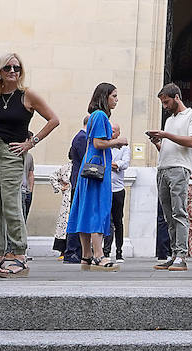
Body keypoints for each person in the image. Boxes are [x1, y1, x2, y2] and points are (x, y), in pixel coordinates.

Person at [0, 52, 60, 278]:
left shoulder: (27, 95)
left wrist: (31, 143)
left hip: (11, 152)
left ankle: (18, 255)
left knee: (11, 204)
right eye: (8, 68)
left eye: (16, 68)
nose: (12, 72)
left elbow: (53, 120)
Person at [66, 82, 127, 271]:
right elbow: (98, 143)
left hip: (89, 169)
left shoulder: (93, 116)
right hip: (98, 171)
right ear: (105, 96)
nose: (116, 100)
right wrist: (118, 141)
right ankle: (99, 256)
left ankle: (86, 256)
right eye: (114, 96)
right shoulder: (101, 115)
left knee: (85, 211)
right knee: (98, 211)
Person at [147, 83, 192, 271]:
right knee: (168, 215)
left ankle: (181, 255)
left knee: (179, 212)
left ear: (177, 97)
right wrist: (158, 143)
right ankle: (174, 254)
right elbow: (169, 148)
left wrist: (165, 134)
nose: (165, 106)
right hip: (163, 168)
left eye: (166, 102)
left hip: (179, 169)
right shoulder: (170, 120)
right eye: (163, 103)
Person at [65, 116, 89, 263]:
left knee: (79, 215)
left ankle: (77, 251)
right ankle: (72, 251)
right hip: (79, 181)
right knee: (77, 216)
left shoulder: (81, 137)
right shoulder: (82, 138)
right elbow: (85, 158)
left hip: (79, 180)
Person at [110, 135, 129, 260]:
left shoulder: (124, 147)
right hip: (104, 188)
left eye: (113, 131)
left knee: (118, 221)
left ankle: (119, 251)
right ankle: (105, 251)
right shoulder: (104, 144)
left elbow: (125, 163)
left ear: (118, 133)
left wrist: (114, 164)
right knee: (105, 221)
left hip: (118, 188)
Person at [50, 161, 72, 258]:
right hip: (67, 198)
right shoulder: (65, 167)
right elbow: (53, 177)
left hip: (79, 197)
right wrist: (60, 187)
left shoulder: (83, 165)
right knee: (64, 223)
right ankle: (63, 250)